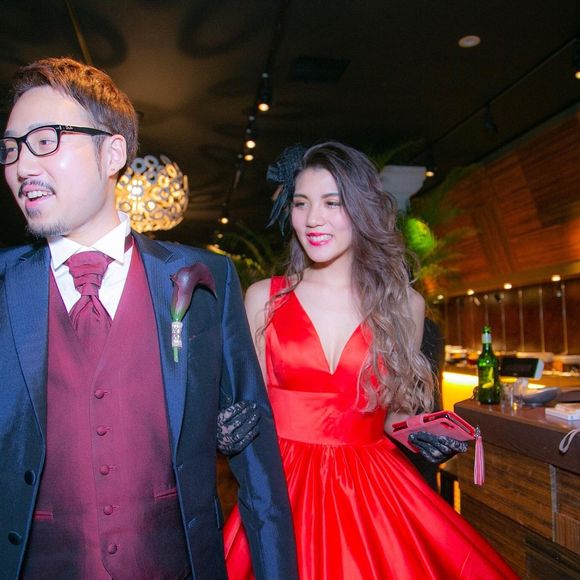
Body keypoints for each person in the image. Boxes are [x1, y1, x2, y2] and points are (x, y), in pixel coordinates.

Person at [0, 56, 298, 580]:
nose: (23, 167)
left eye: (45, 140)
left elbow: (256, 467)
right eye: (10, 149)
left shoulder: (207, 278)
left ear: (113, 152)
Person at [223, 142, 517, 579]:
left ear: (362, 208)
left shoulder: (404, 306)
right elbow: (250, 407)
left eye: (332, 202)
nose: (313, 219)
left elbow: (391, 415)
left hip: (372, 489)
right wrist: (226, 425)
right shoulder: (263, 298)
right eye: (301, 203)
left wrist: (422, 436)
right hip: (281, 489)